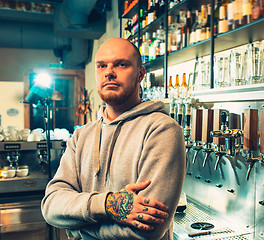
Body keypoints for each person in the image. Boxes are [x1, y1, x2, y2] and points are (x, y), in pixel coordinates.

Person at [41, 38, 187, 239]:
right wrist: (110, 205)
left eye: (121, 64)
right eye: (102, 66)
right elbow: (51, 206)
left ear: (140, 74)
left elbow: (146, 231)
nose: (109, 72)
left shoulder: (162, 130)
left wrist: (76, 229)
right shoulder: (81, 136)